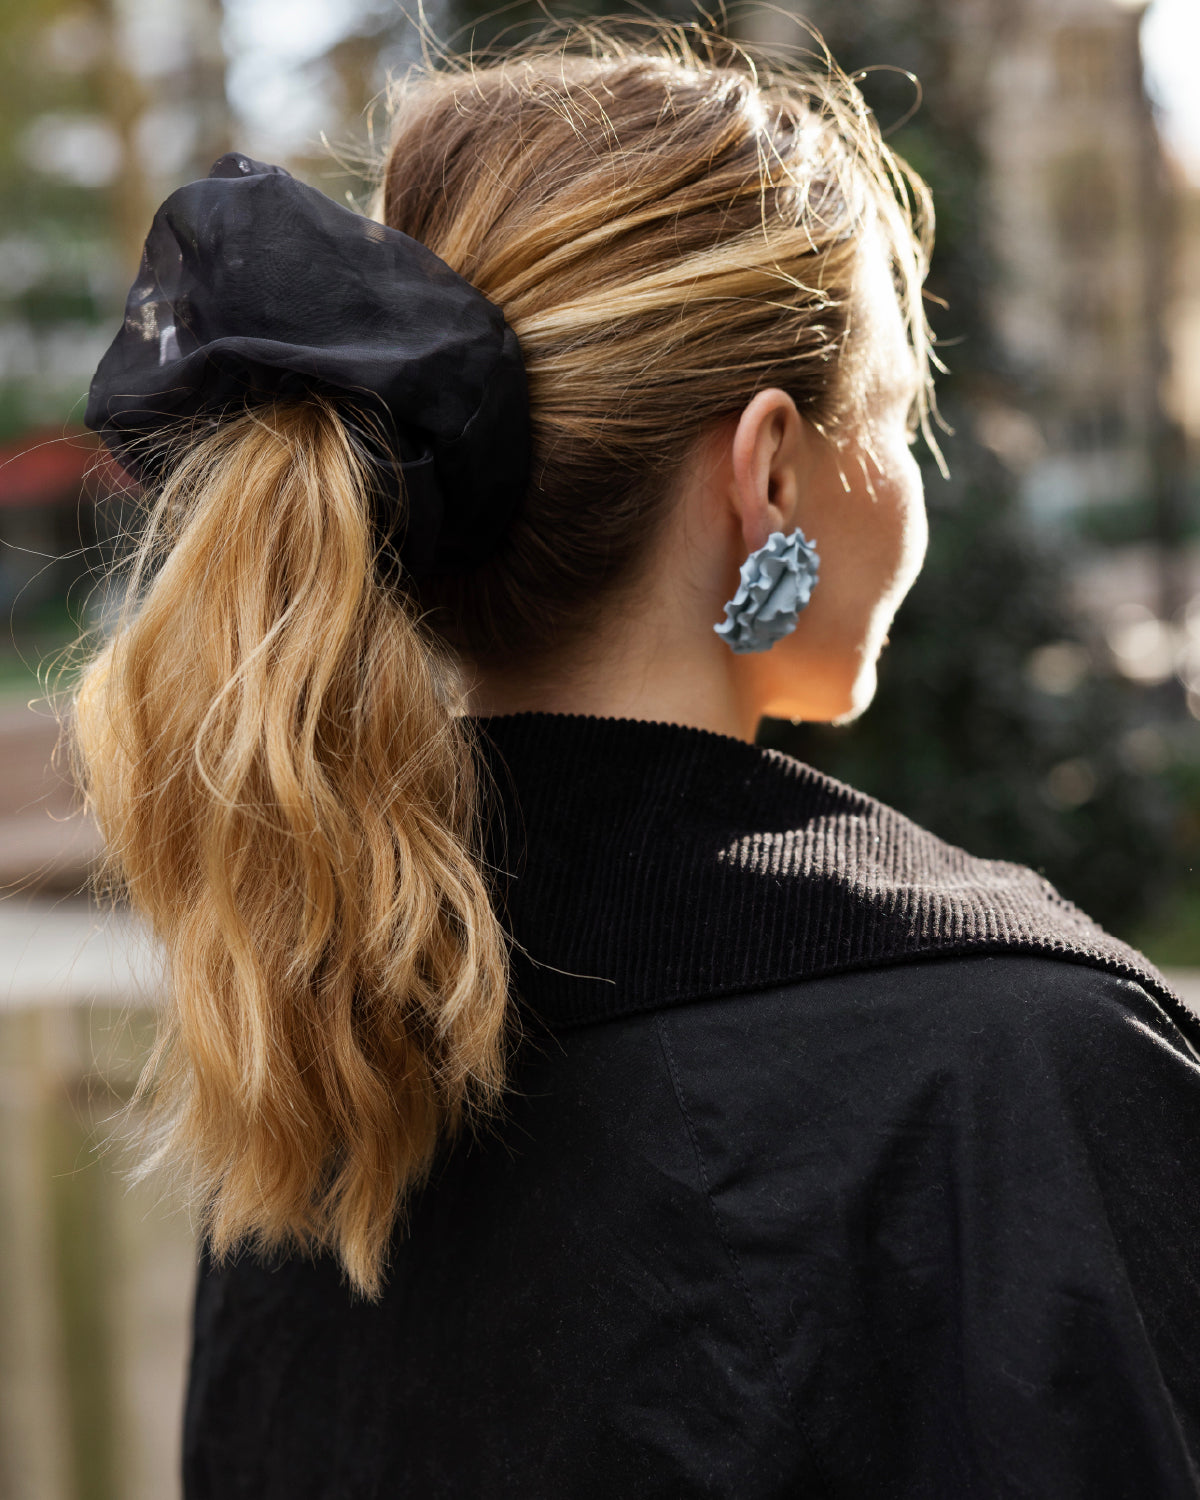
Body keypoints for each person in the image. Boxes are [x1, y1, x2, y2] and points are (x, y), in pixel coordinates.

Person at [76, 32, 1200, 1500]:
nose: (915, 476)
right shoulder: (1026, 1070)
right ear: (772, 474)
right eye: (901, 417)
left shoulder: (308, 1046)